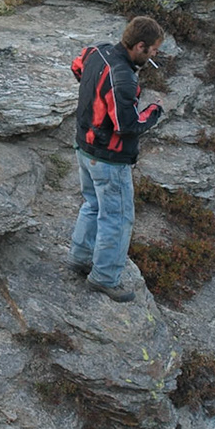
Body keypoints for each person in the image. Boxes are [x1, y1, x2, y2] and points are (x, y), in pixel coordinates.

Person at [69, 16, 167, 302]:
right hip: (110, 159)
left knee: (92, 204)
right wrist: (154, 111)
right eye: (154, 50)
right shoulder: (123, 78)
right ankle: (104, 277)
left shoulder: (96, 51)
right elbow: (127, 125)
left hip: (84, 147)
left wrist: (96, 97)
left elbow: (77, 68)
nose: (155, 55)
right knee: (118, 217)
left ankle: (80, 257)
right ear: (140, 46)